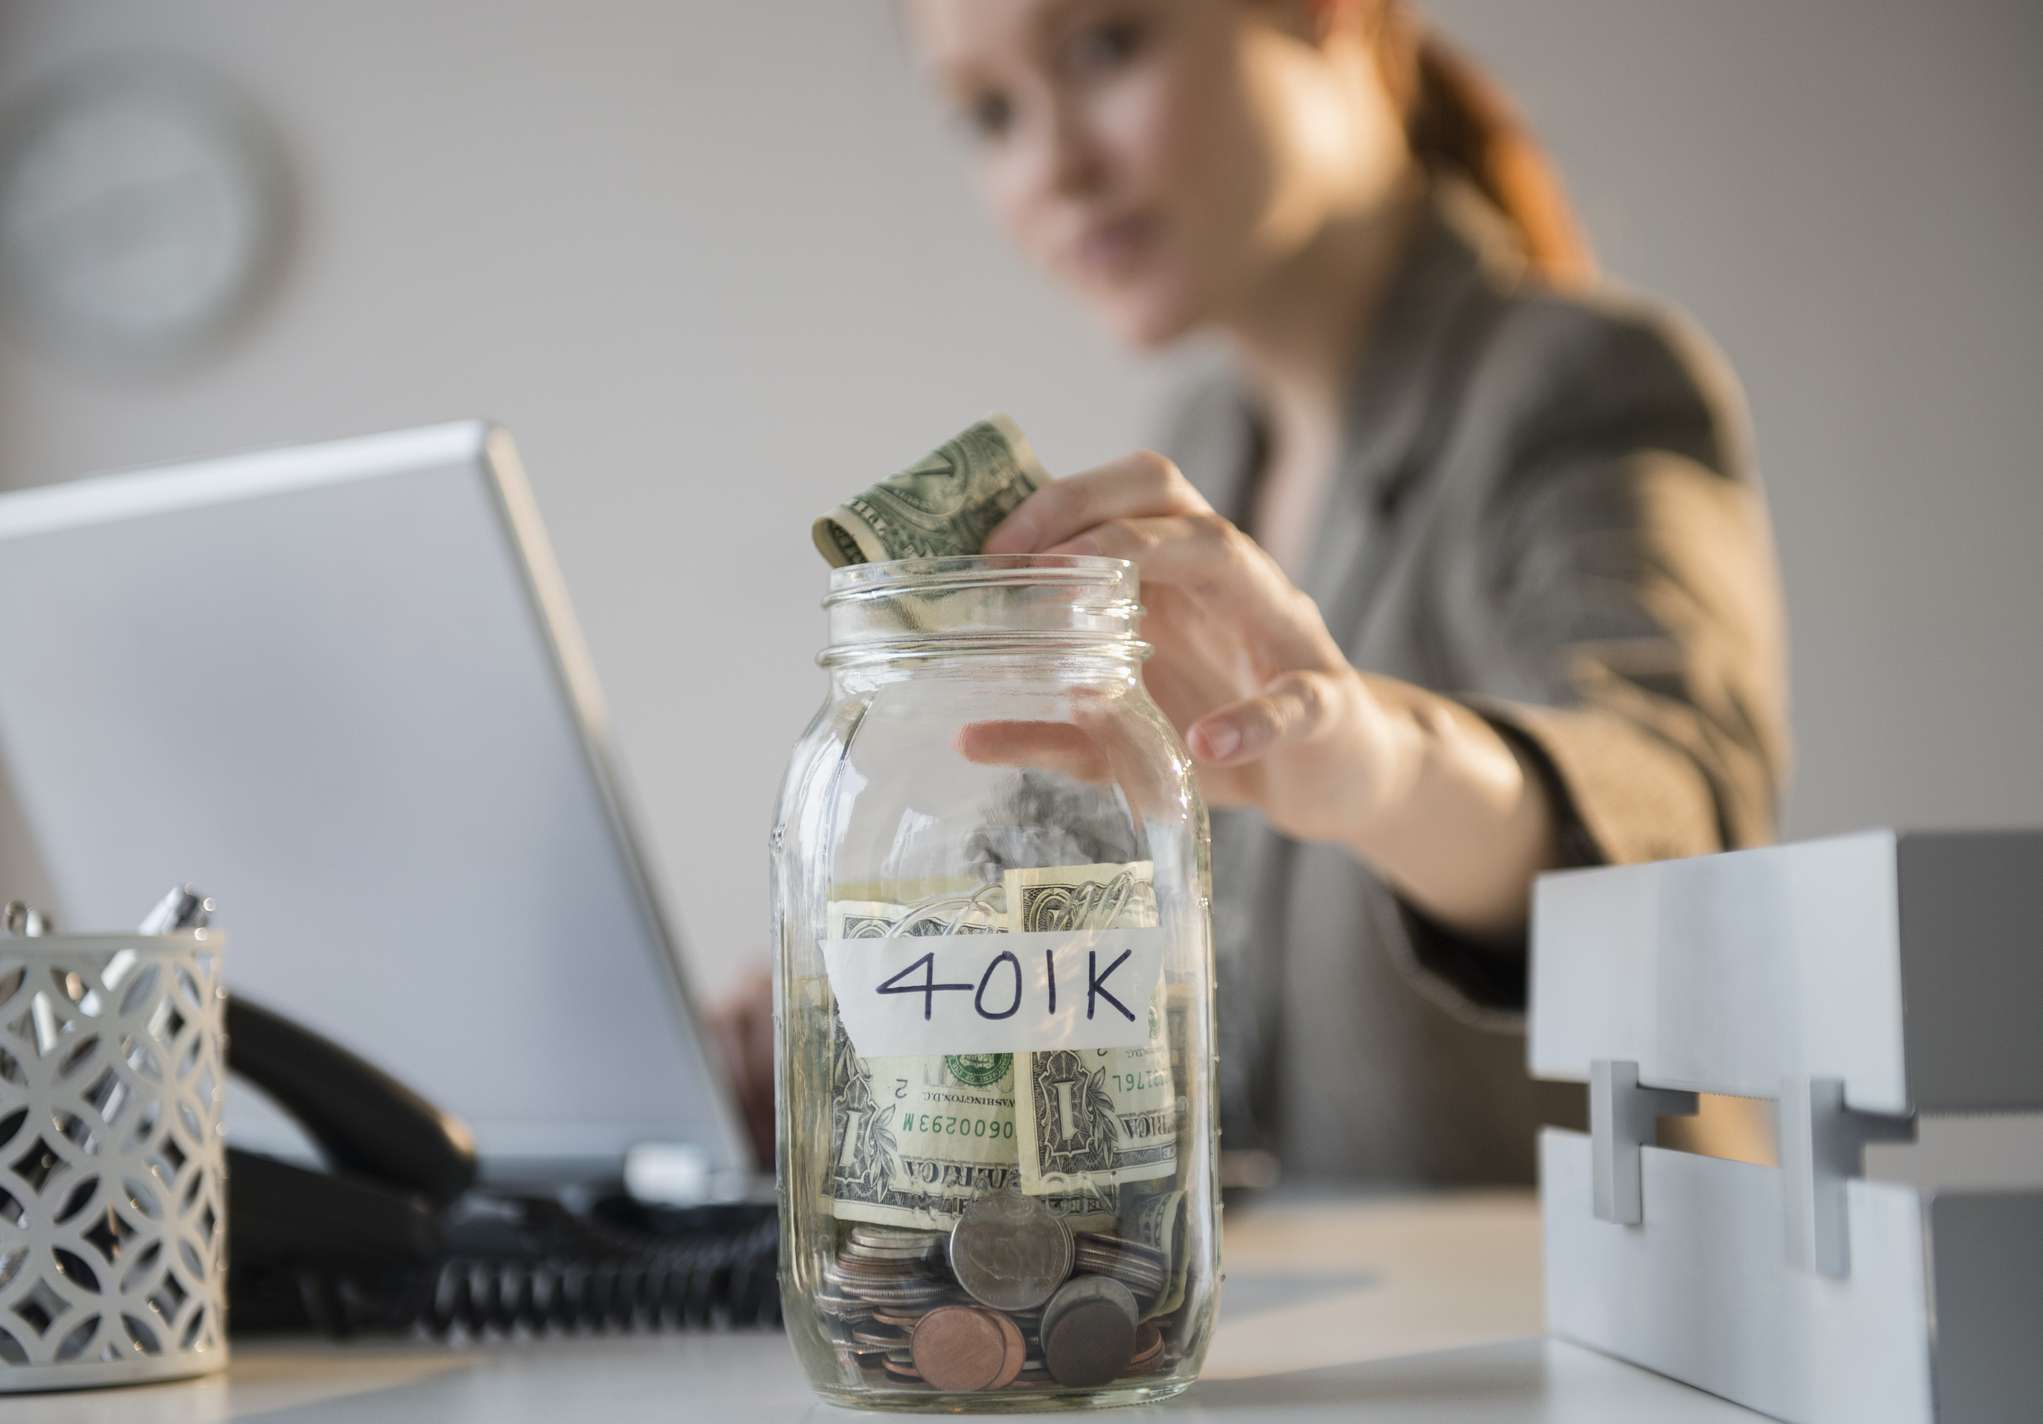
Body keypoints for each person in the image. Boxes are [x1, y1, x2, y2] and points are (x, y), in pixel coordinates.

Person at [716, 0, 1788, 1183]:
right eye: (990, 113)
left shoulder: (1572, 382)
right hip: (1340, 1337)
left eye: (1106, 45)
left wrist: (1378, 769)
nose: (1053, 165)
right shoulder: (1208, 452)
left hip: (1615, 1321)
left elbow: (1679, 815)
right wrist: (901, 1026)